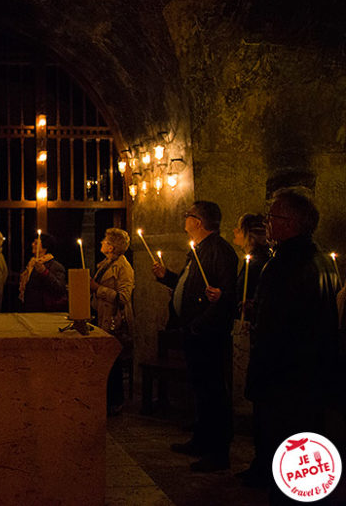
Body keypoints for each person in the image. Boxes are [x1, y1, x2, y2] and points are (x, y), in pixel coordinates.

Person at [245, 188, 340, 504]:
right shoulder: (324, 260)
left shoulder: (283, 264)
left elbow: (275, 327)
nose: (268, 222)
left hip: (284, 380)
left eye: (272, 216)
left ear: (290, 223)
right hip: (314, 376)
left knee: (285, 458)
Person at [152, 201, 238, 472]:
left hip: (208, 334)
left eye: (188, 215)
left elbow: (225, 296)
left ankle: (218, 451)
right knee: (201, 391)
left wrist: (199, 325)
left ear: (198, 222)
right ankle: (201, 440)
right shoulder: (198, 250)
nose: (184, 218)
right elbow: (192, 286)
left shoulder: (220, 252)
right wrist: (168, 278)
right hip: (194, 331)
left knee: (214, 392)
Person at [205, 213, 270, 486]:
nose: (234, 230)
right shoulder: (256, 262)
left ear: (250, 233)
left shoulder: (259, 263)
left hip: (258, 342)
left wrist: (239, 302)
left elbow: (263, 300)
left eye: (238, 228)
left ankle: (264, 464)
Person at [90, 228, 134, 416]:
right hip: (103, 317)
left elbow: (123, 297)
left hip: (114, 320)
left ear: (111, 246)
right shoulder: (106, 264)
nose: (101, 243)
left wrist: (97, 288)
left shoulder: (123, 268)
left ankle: (116, 401)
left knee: (113, 362)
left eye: (105, 240)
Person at [19, 232, 67, 311]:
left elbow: (59, 288)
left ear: (45, 247)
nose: (32, 244)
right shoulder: (31, 264)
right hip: (31, 308)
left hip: (44, 309)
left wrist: (44, 272)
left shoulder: (54, 266)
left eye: (36, 243)